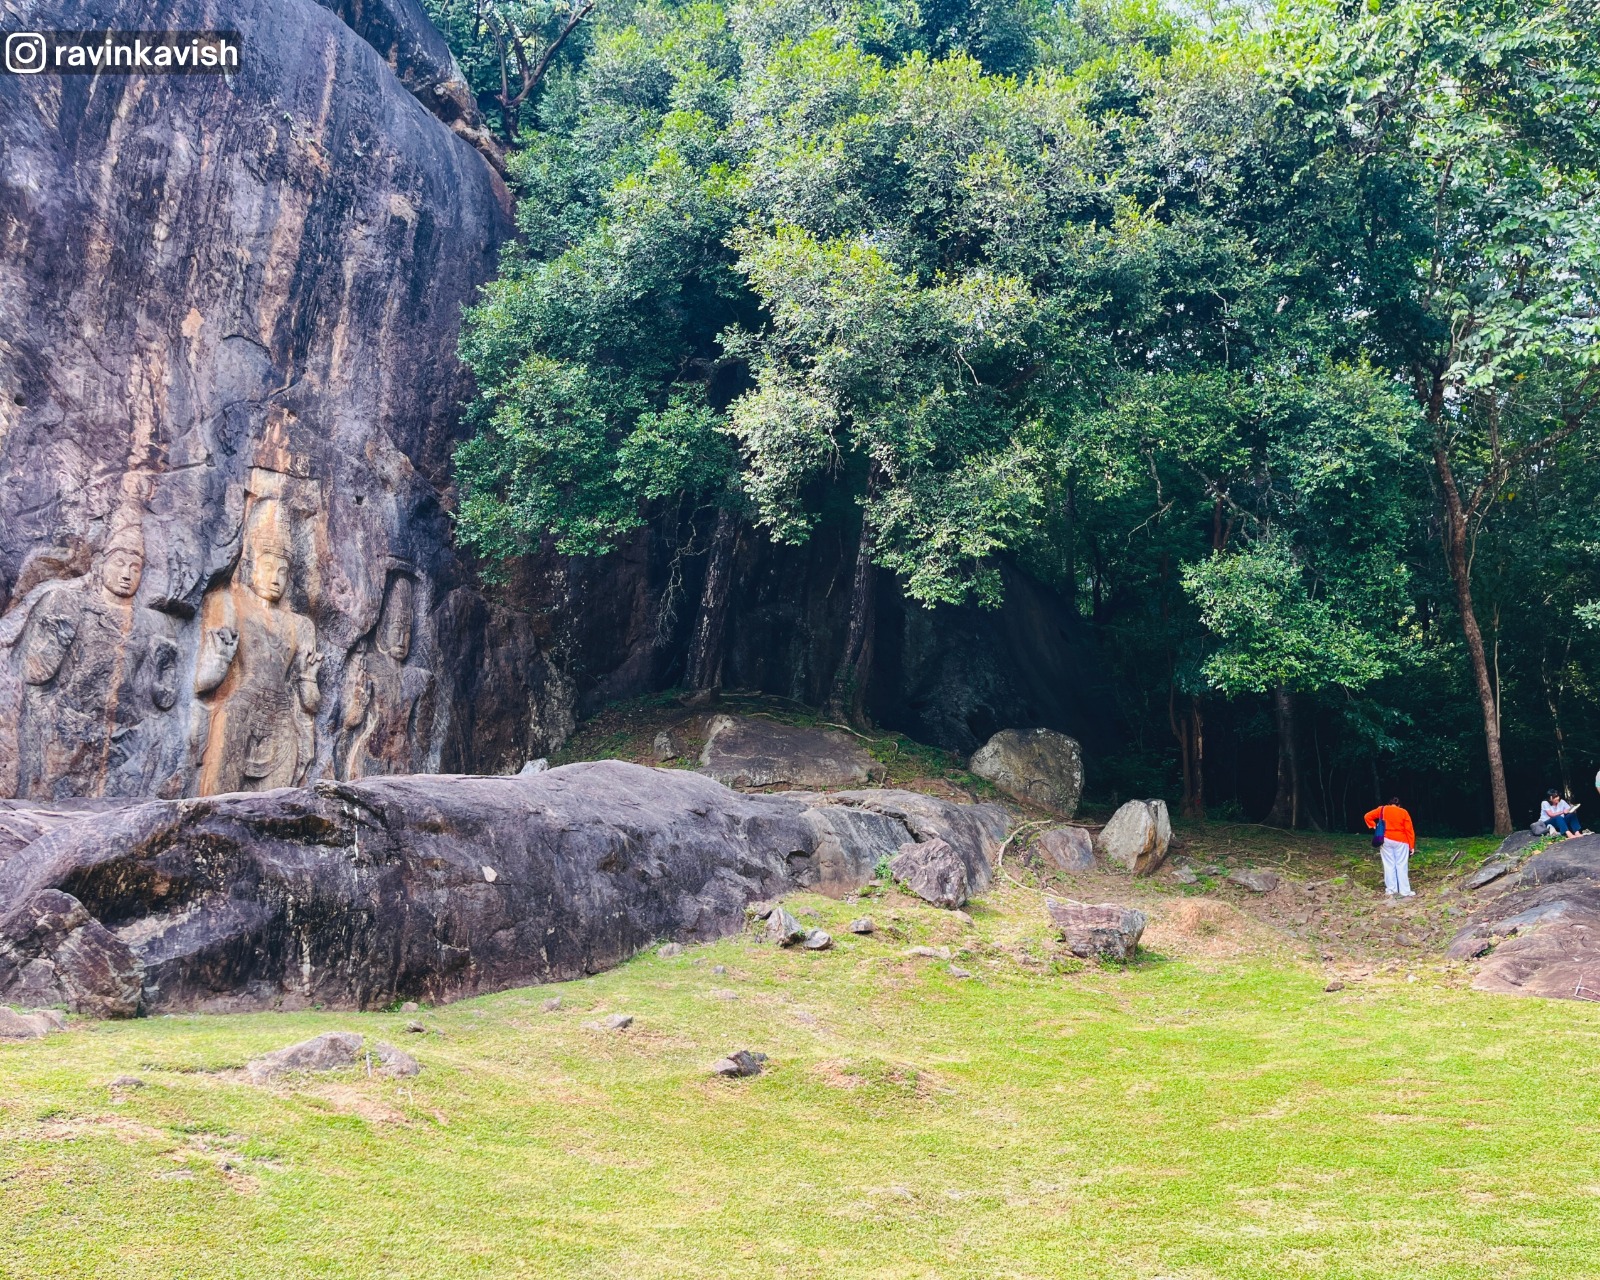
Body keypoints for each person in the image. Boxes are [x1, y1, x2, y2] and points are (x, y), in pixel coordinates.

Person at [1364, 797, 1416, 898]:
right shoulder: (1403, 812)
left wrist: (1374, 826)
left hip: (1386, 839)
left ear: (1389, 803)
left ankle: (1391, 890)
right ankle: (1405, 891)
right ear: (1399, 805)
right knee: (1401, 865)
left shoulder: (1382, 809)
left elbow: (1367, 816)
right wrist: (1411, 846)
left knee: (1389, 865)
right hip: (1401, 841)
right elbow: (1409, 830)